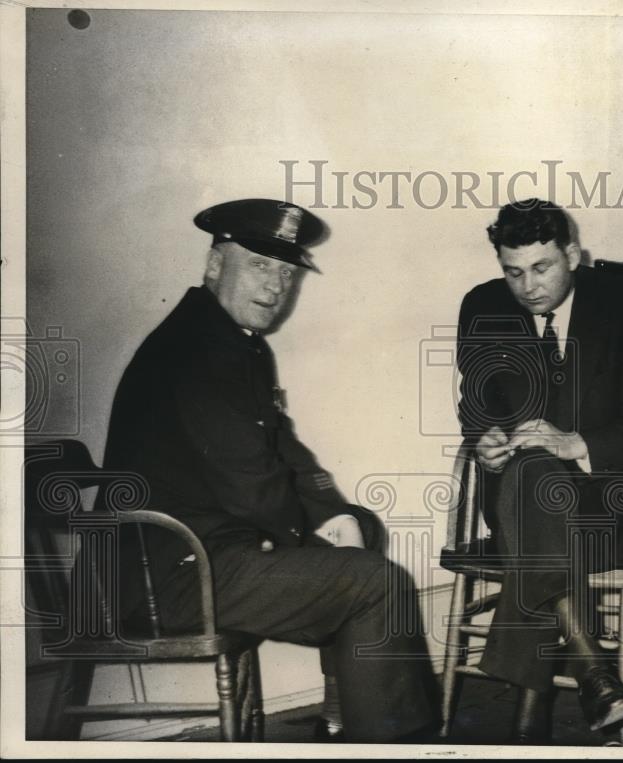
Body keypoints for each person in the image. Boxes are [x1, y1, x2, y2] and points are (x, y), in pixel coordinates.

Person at [101, 198, 436, 743]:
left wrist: (335, 517)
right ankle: (389, 742)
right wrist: (309, 537)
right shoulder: (197, 348)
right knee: (375, 583)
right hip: (173, 573)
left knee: (360, 527)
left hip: (210, 554)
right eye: (259, 265)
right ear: (214, 265)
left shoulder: (236, 345)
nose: (276, 285)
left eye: (286, 272)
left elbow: (288, 454)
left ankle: (344, 710)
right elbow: (250, 480)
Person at [456, 199, 623, 743]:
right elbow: (475, 402)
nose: (528, 286)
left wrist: (575, 443)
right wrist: (483, 437)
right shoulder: (482, 306)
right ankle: (596, 675)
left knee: (542, 492)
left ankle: (535, 713)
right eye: (513, 272)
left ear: (572, 254)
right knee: (533, 471)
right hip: (515, 495)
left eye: (542, 268)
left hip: (607, 499)